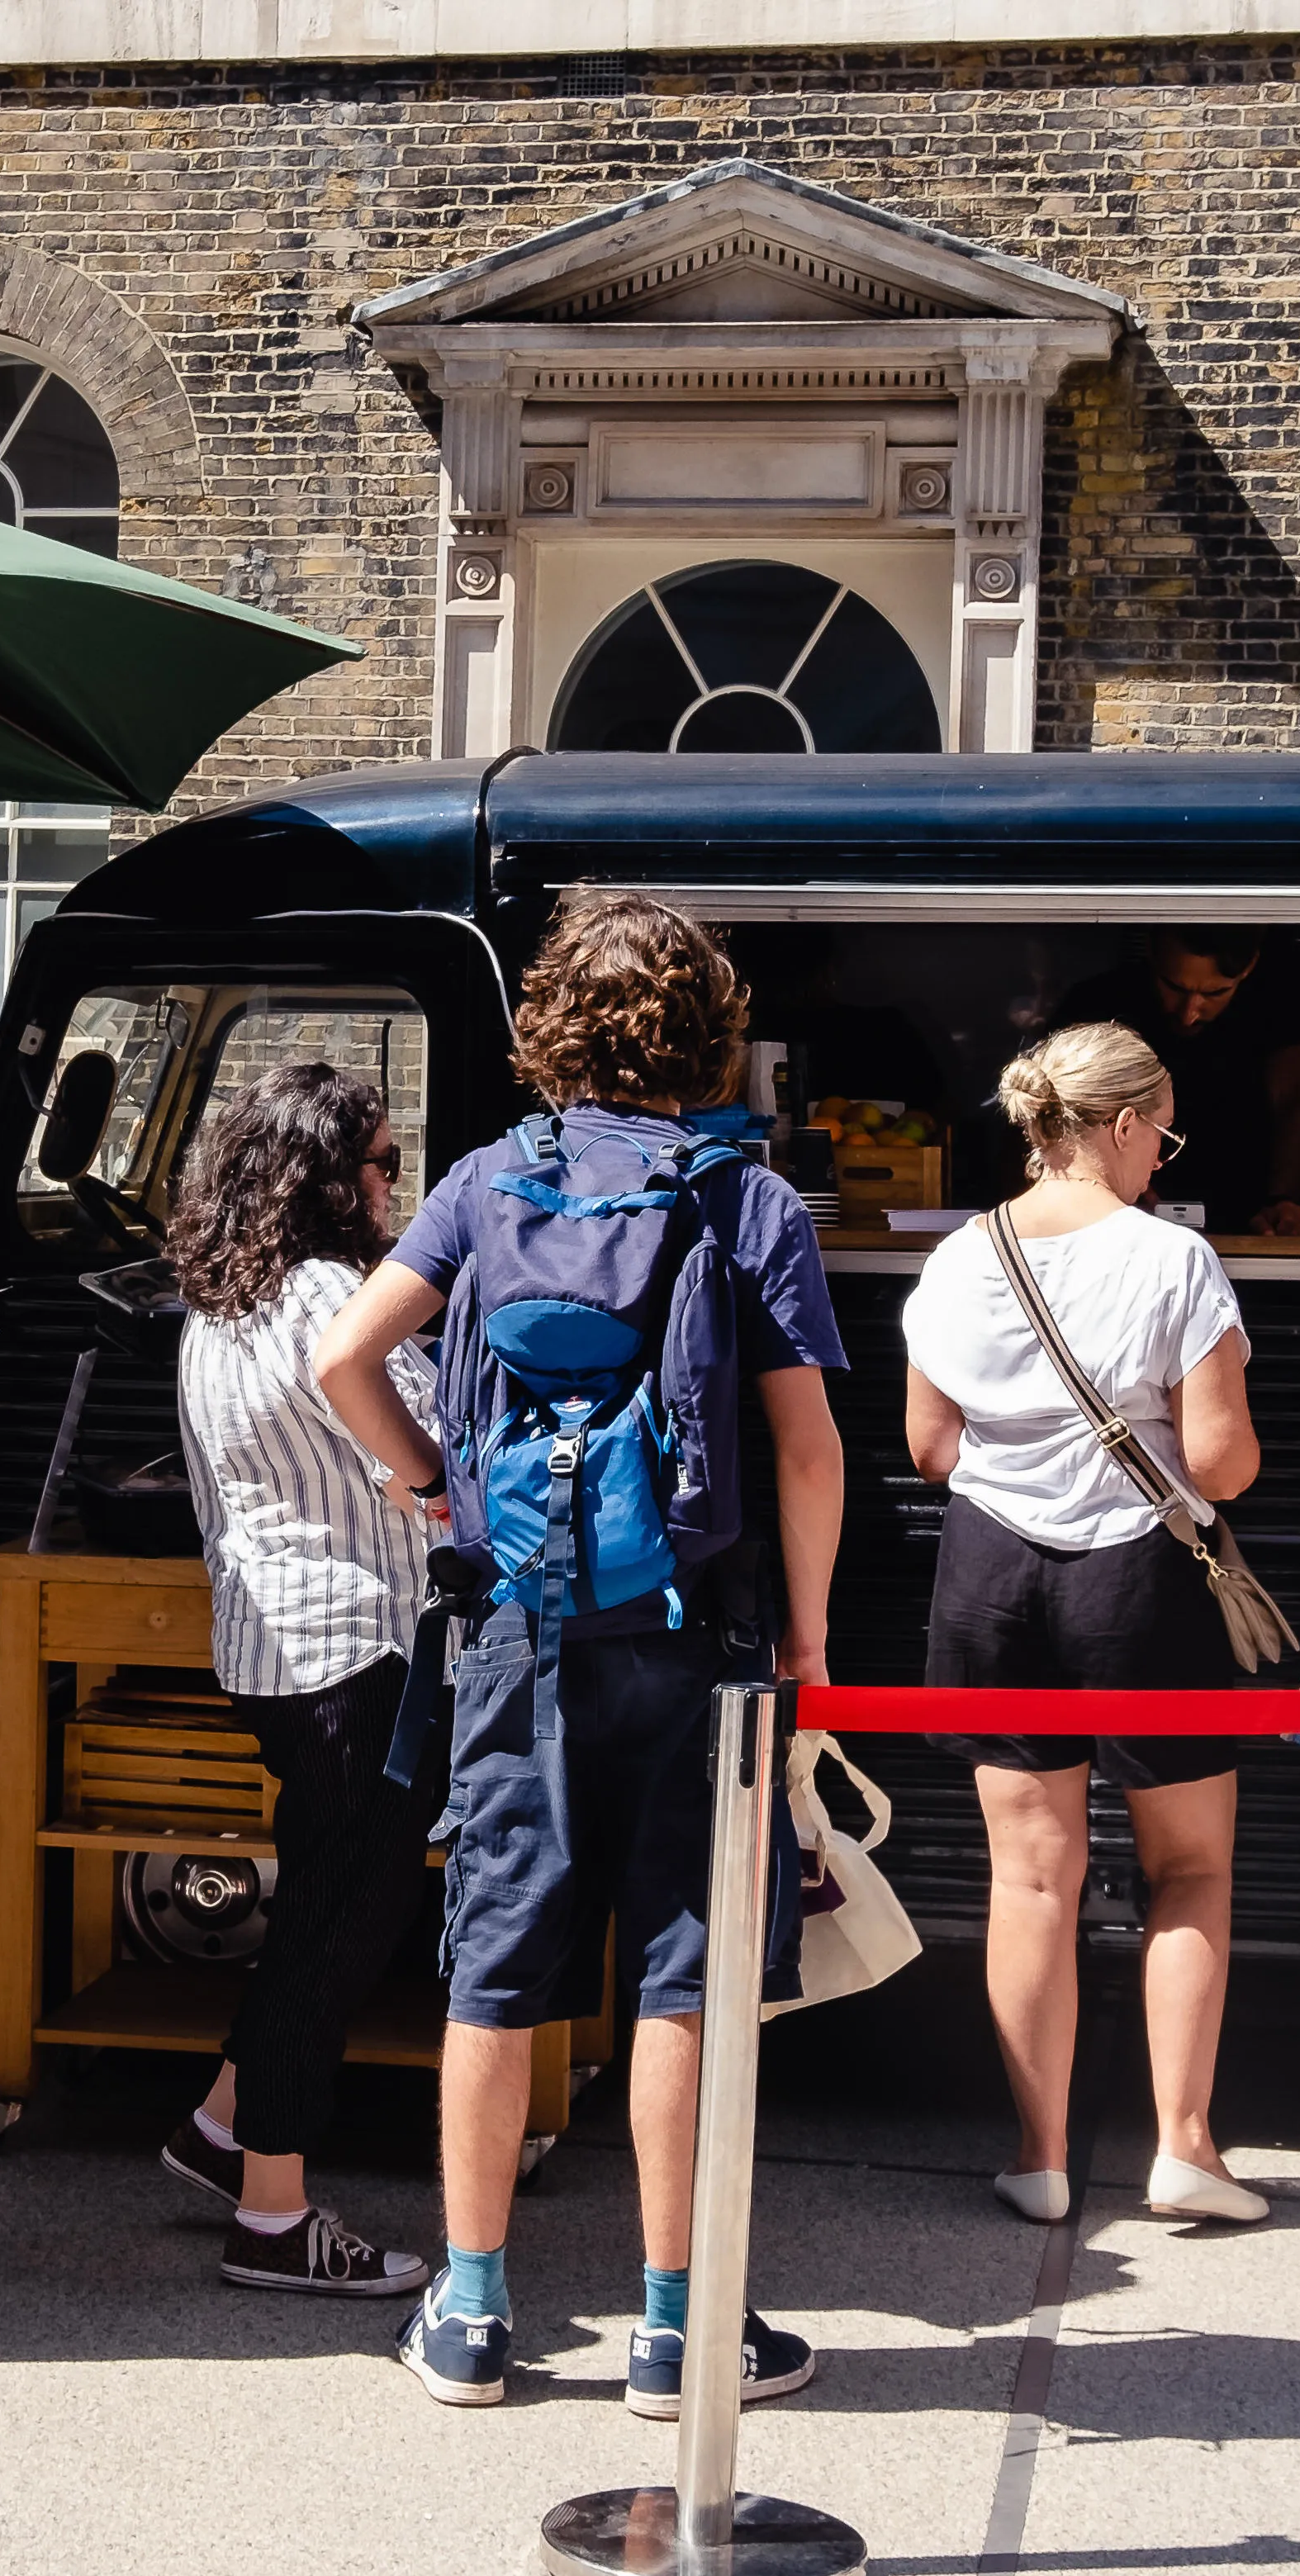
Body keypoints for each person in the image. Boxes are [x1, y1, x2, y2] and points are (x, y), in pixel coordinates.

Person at [313, 890, 847, 2418]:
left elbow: (343, 1355)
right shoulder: (747, 1202)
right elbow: (804, 1451)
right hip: (700, 1633)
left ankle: (473, 2312)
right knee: (684, 1977)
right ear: (705, 1031)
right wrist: (805, 1628)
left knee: (494, 1963)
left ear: (552, 1020)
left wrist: (434, 1483)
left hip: (516, 1628)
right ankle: (677, 2332)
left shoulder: (486, 1180)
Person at [901, 1023, 1269, 2232]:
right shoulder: (1171, 1261)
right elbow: (1216, 1464)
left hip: (988, 1575)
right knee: (1191, 1869)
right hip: (1137, 1580)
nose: (1162, 1155)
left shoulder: (956, 1258)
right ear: (1115, 1127)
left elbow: (929, 1448)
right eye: (1159, 1132)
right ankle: (1185, 2149)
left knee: (1030, 1879)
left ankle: (1040, 2155)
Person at [152, 1062, 436, 2298]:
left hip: (268, 1651)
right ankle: (274, 2216)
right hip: (358, 1643)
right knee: (332, 1930)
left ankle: (220, 2128)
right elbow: (427, 1458)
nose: (394, 1183)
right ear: (327, 1175)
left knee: (318, 1901)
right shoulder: (338, 1295)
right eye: (380, 1163)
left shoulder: (214, 1303)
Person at [1046, 927, 1300, 1236]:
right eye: (1174, 987)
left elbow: (1299, 1098)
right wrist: (1102, 1188)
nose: (1189, 1014)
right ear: (1151, 951)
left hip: (1252, 1209)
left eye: (1215, 993)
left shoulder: (1284, 990)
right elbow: (1049, 1122)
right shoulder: (1097, 1004)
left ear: (1250, 968)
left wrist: (1284, 1201)